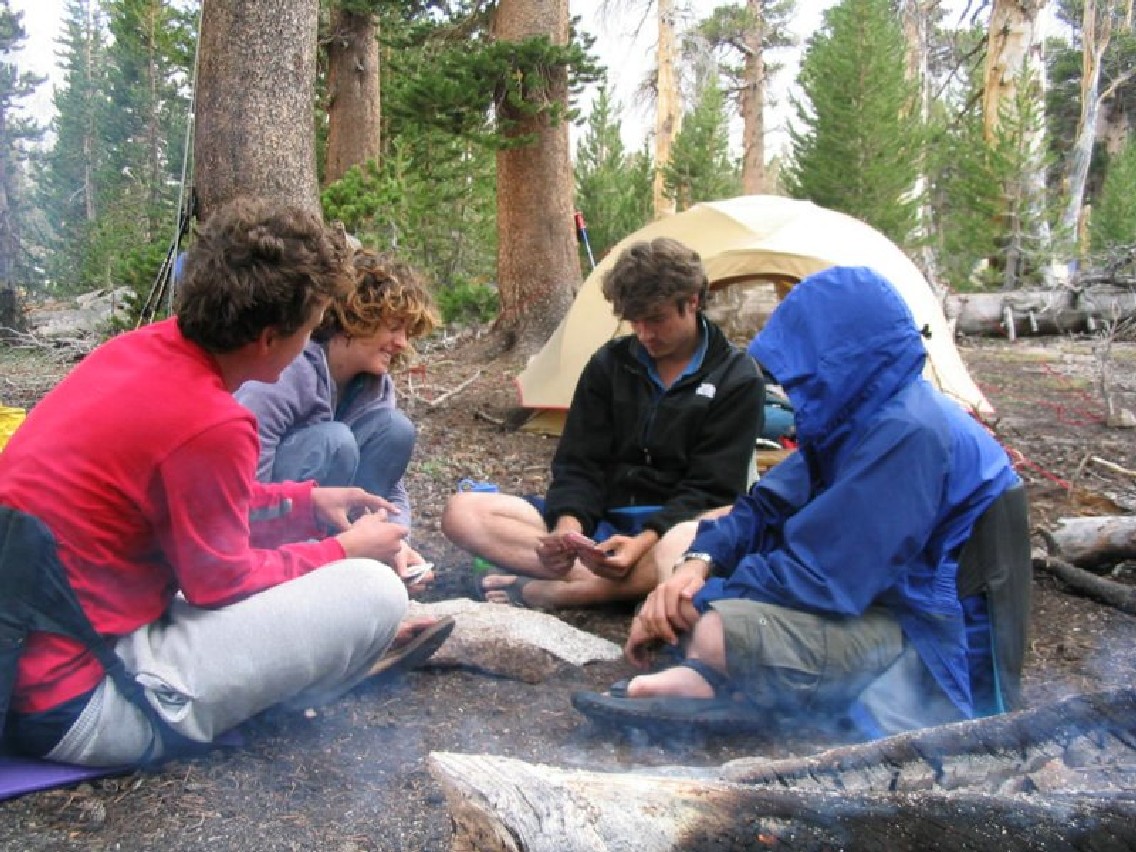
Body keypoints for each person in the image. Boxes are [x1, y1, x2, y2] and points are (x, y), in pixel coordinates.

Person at [0, 198, 446, 767]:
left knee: (318, 581)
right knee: (375, 591)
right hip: (83, 696)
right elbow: (222, 584)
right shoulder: (211, 421)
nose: (312, 341)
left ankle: (327, 650)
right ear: (269, 338)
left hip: (33, 656)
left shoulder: (136, 351)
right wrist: (342, 550)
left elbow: (192, 499)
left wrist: (305, 500)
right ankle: (321, 668)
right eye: (311, 328)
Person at [572, 265, 1028, 738]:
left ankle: (721, 678)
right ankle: (716, 679)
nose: (790, 390)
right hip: (878, 602)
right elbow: (763, 508)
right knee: (693, 580)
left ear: (839, 360)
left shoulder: (908, 432)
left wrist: (699, 600)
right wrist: (698, 565)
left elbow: (825, 579)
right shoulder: (857, 414)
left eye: (803, 372)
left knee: (715, 629)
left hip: (930, 642)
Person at [442, 237, 765, 609]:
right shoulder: (611, 364)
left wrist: (643, 541)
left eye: (656, 319)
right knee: (463, 513)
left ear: (692, 301)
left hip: (674, 530)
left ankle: (574, 589)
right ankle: (607, 582)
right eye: (634, 321)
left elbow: (711, 490)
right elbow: (579, 463)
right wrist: (568, 530)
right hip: (600, 526)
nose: (644, 334)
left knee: (719, 529)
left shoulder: (736, 377)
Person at [235, 249, 439, 575]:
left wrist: (397, 540)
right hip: (265, 527)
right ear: (354, 317)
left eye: (407, 332)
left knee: (396, 429)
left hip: (331, 525)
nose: (402, 342)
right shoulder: (289, 372)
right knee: (335, 440)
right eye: (393, 328)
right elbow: (241, 484)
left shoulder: (375, 386)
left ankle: (362, 553)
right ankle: (312, 558)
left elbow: (391, 485)